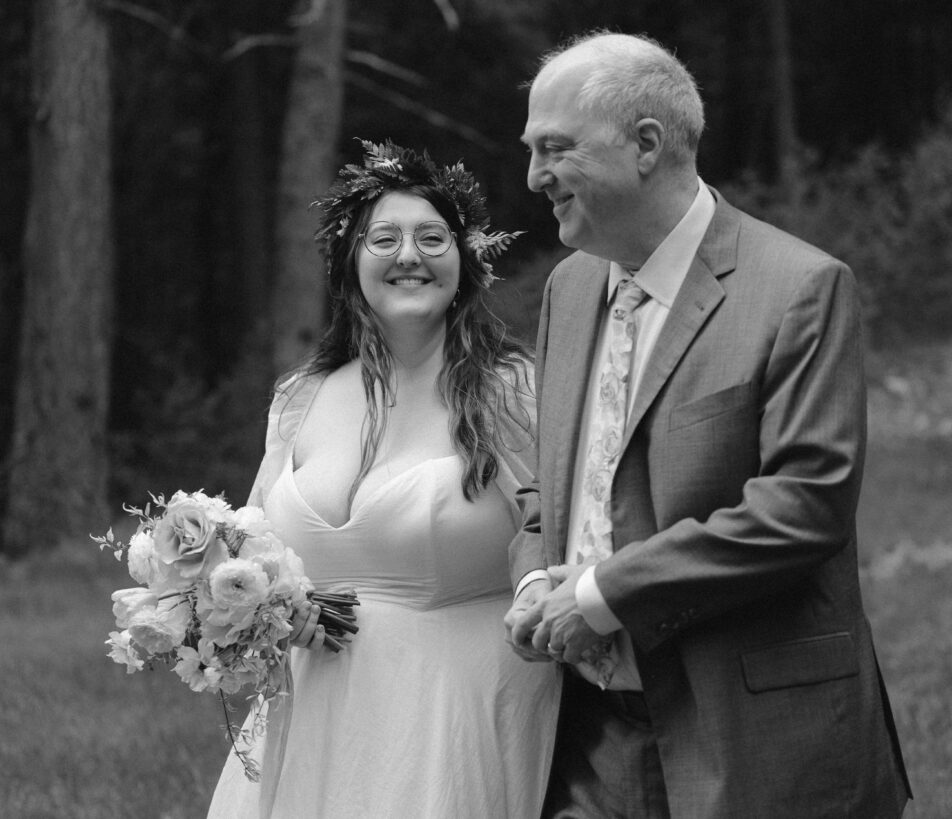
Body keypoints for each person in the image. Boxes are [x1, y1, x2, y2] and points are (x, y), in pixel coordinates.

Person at [505, 31, 912, 818]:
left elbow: (802, 506)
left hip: (757, 739)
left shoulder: (799, 287)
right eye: (531, 150)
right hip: (592, 742)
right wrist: (534, 578)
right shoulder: (568, 288)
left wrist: (599, 592)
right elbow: (540, 479)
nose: (533, 177)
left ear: (647, 145)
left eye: (554, 148)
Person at [207, 140, 561, 818]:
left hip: (452, 710)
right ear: (349, 264)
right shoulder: (301, 396)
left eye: (432, 237)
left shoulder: (510, 391)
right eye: (385, 238)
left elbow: (556, 527)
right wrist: (274, 605)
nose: (409, 255)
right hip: (313, 712)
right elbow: (250, 542)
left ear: (465, 262)